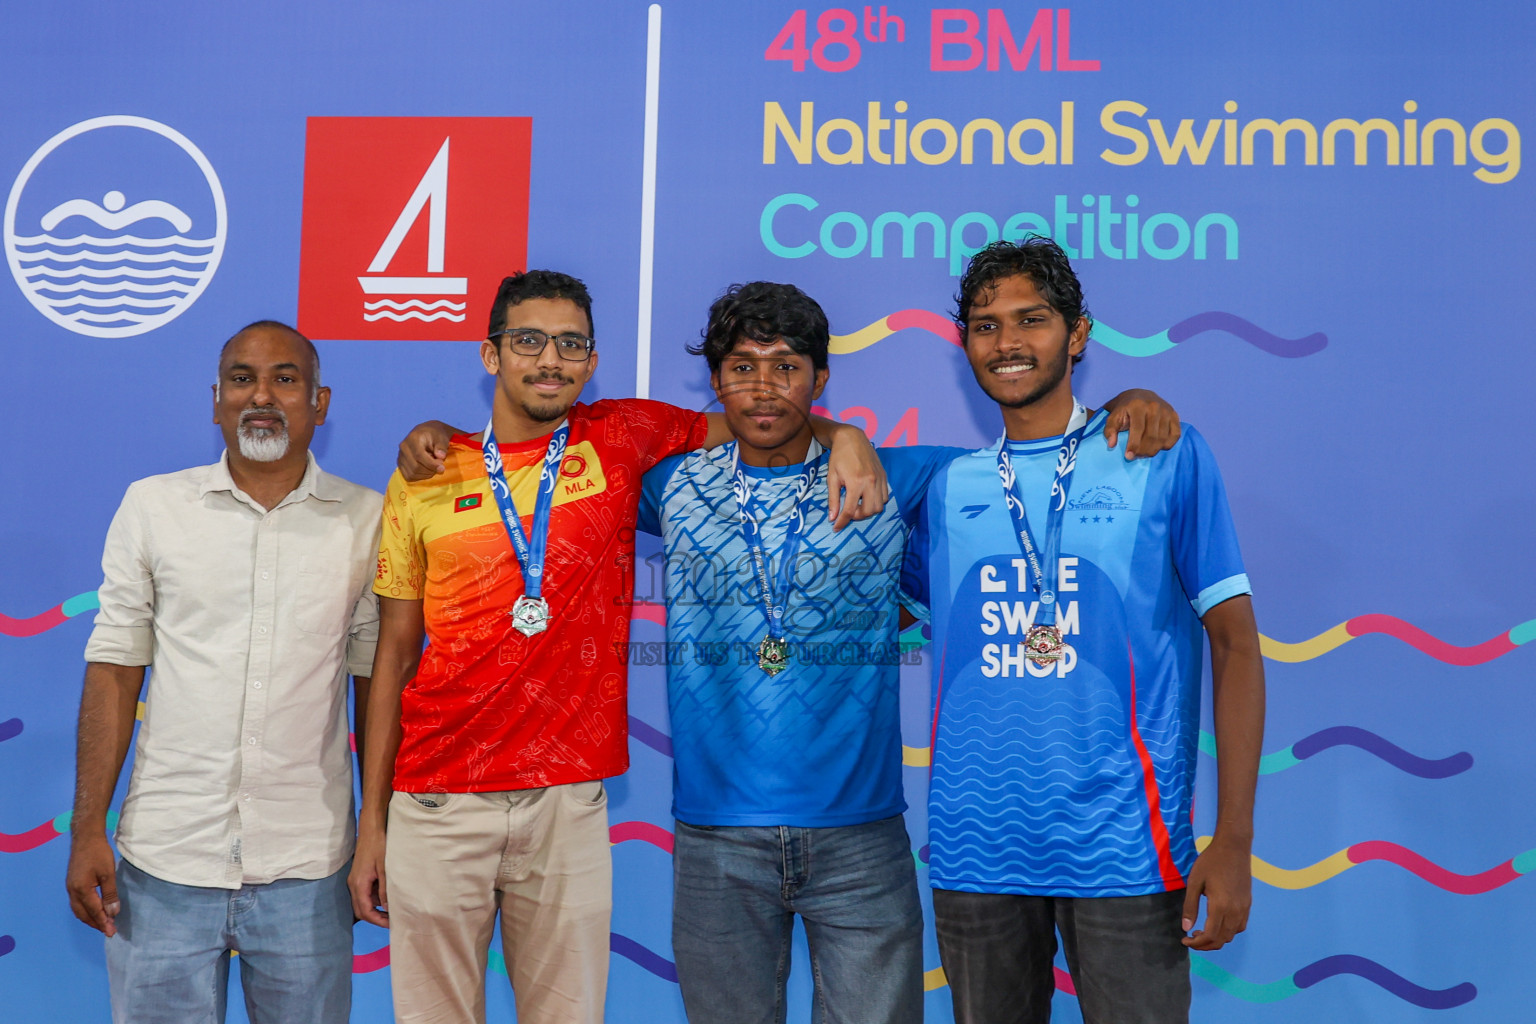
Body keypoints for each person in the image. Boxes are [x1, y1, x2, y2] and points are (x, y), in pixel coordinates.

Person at [350, 270, 887, 1024]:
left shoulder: (623, 434)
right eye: (529, 341)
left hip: (567, 800)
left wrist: (850, 437)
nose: (550, 359)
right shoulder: (427, 473)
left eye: (572, 344)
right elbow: (392, 661)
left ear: (592, 360)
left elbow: (764, 417)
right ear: (490, 354)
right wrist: (371, 822)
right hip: (437, 799)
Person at [636, 281, 1181, 1023]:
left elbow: (1032, 454)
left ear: (820, 378)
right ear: (716, 380)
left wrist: (1132, 399)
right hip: (714, 840)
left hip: (861, 842)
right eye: (742, 367)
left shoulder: (905, 478)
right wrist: (840, 432)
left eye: (787, 367)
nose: (764, 388)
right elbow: (559, 444)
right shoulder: (669, 485)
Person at [905, 237, 1265, 1024]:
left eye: (1030, 320)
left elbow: (1236, 644)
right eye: (985, 324)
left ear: (1078, 334)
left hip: (1126, 848)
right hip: (977, 851)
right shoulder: (944, 487)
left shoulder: (1159, 453)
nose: (1007, 342)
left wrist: (1233, 838)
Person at [66, 321, 382, 1024]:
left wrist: (377, 830)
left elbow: (374, 687)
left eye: (285, 379)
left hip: (309, 865)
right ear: (216, 400)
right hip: (165, 865)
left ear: (321, 402)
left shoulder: (367, 521)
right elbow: (115, 672)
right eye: (242, 378)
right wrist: (88, 828)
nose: (260, 396)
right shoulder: (153, 508)